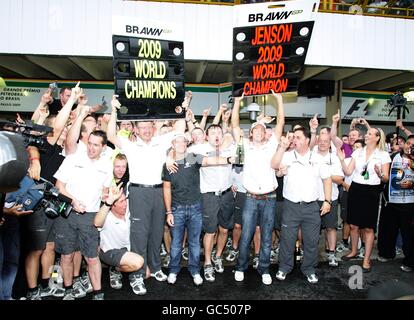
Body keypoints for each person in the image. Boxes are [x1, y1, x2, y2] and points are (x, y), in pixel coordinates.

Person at [106, 95, 185, 295]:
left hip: (159, 191)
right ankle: (138, 275)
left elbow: (180, 130)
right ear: (136, 129)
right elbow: (111, 136)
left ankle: (156, 267)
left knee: (157, 232)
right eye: (142, 127)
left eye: (149, 126)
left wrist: (182, 109)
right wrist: (114, 110)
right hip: (139, 192)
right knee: (139, 234)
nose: (147, 130)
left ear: (154, 126)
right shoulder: (130, 144)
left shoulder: (161, 141)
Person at [163, 133, 235, 285]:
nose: (181, 144)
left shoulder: (193, 157)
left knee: (194, 242)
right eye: (178, 142)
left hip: (196, 206)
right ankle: (173, 270)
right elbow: (167, 189)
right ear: (173, 144)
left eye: (184, 142)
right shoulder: (168, 164)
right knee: (176, 242)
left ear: (187, 144)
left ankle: (195, 271)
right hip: (177, 208)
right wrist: (169, 211)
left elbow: (211, 160)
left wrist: (228, 160)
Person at [231, 91, 285, 285]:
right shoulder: (244, 145)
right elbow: (235, 125)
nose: (260, 132)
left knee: (267, 237)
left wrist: (279, 100)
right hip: (251, 198)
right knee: (246, 235)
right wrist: (237, 102)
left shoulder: (272, 145)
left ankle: (264, 268)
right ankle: (240, 267)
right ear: (251, 132)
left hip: (269, 197)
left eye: (263, 129)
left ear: (265, 133)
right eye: (256, 129)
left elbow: (279, 124)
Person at [54, 130, 113, 300]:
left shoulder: (107, 166)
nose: (91, 148)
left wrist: (106, 196)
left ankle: (97, 293)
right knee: (67, 254)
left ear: (103, 147)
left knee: (92, 257)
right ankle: (68, 290)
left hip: (90, 216)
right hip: (68, 213)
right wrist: (73, 201)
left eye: (96, 145)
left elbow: (104, 191)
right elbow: (59, 187)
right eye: (90, 143)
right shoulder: (73, 159)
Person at [271, 127, 332, 284]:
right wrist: (281, 155)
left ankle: (309, 269)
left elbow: (327, 179)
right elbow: (274, 165)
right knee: (287, 240)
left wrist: (327, 200)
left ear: (307, 140)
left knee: (311, 241)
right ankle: (284, 268)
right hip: (291, 206)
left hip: (312, 207)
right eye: (293, 138)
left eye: (298, 137)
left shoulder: (318, 158)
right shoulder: (287, 155)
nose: (294, 140)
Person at [338, 127, 391, 272]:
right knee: (353, 225)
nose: (366, 136)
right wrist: (342, 160)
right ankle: (354, 251)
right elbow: (348, 171)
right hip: (356, 189)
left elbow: (386, 178)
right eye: (366, 133)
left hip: (372, 191)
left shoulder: (384, 155)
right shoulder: (357, 152)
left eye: (369, 134)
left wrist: (380, 174)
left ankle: (366, 259)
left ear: (377, 137)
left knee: (368, 227)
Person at [94, 186, 144, 290]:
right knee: (138, 263)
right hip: (110, 251)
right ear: (112, 206)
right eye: (121, 202)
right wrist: (108, 201)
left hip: (127, 250)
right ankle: (116, 269)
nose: (125, 204)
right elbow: (97, 223)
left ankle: (116, 269)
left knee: (147, 273)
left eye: (125, 200)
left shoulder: (129, 211)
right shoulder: (107, 216)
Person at [377, 135, 414, 273]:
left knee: (409, 235)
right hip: (391, 202)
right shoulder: (392, 157)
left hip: (410, 204)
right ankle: (386, 253)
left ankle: (410, 261)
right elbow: (385, 177)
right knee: (387, 230)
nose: (409, 146)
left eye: (412, 145)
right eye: (408, 143)